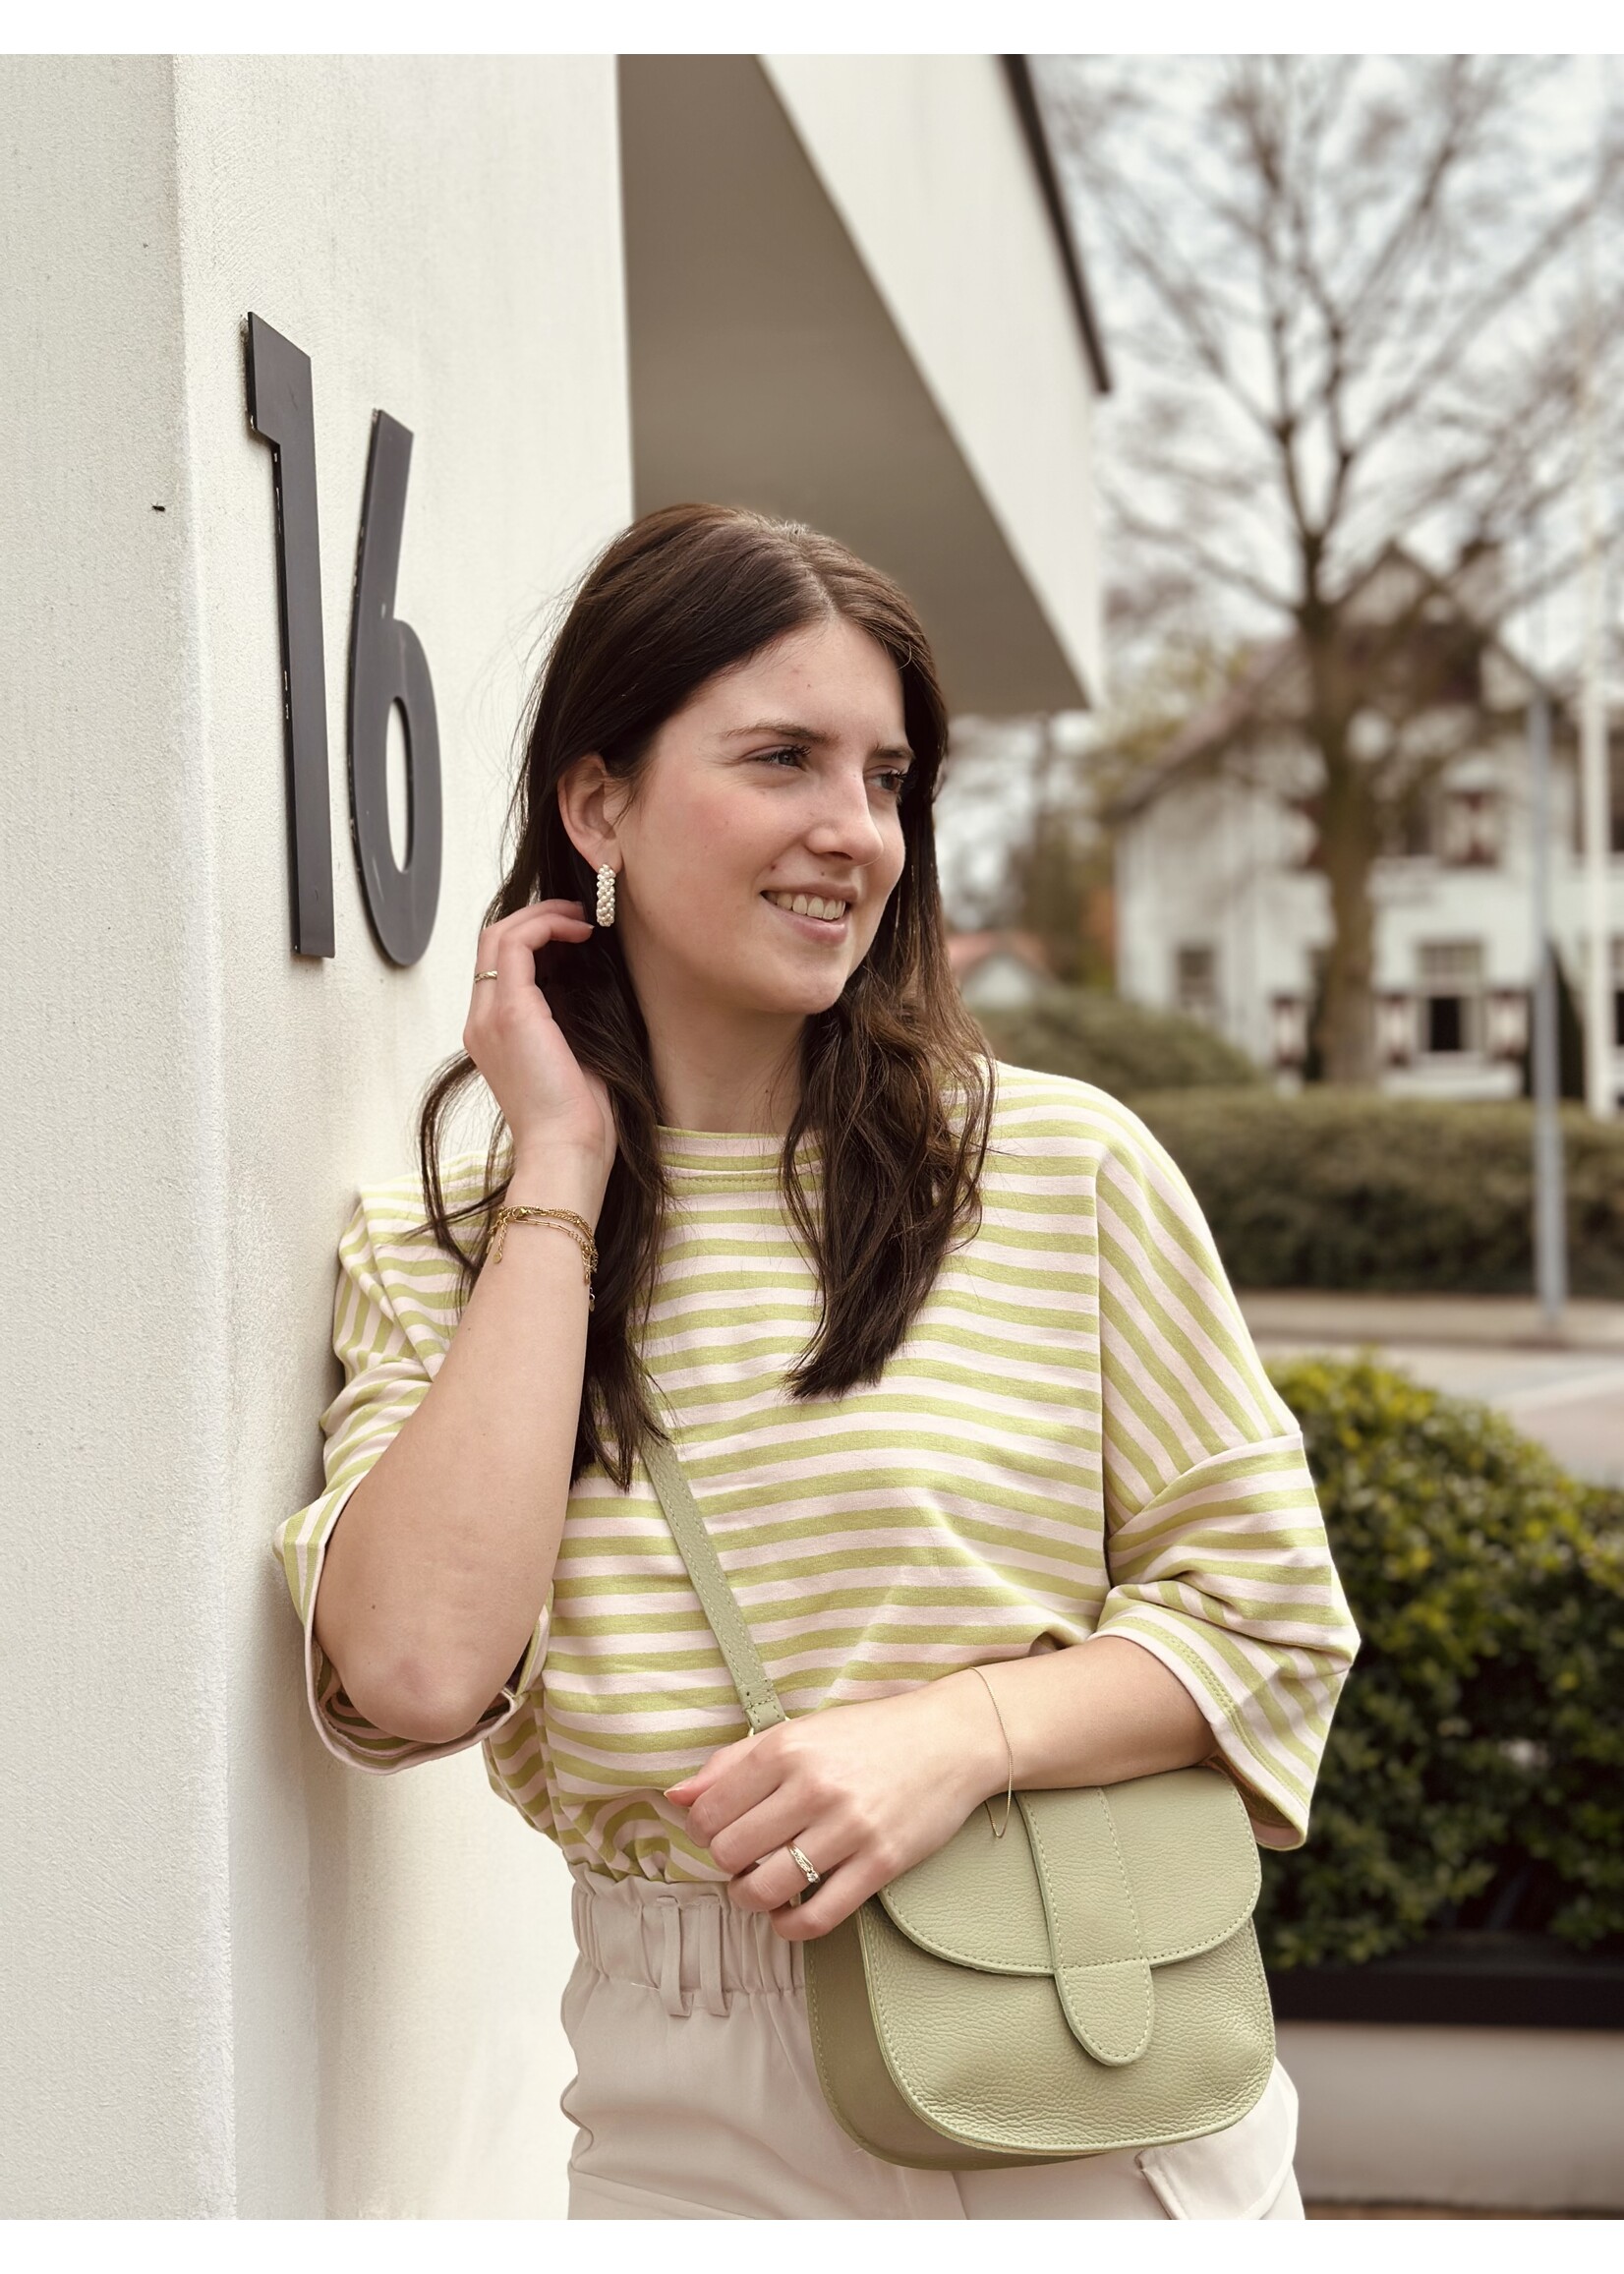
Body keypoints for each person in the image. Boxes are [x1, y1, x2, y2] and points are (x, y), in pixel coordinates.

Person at [273, 501, 1360, 2221]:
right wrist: (559, 1166)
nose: (851, 831)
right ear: (596, 799)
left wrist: (956, 1735)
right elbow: (411, 1669)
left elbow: (1269, 1617)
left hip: (1076, 2051)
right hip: (679, 2089)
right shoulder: (451, 1240)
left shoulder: (1057, 1169)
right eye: (783, 757)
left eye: (889, 777)